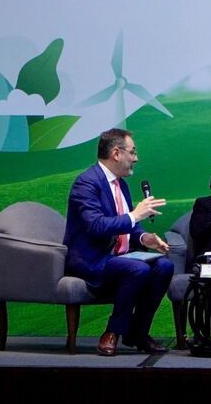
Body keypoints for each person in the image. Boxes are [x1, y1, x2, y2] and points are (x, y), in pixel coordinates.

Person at [63, 128, 173, 356]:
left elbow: (128, 225)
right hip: (92, 260)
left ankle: (138, 333)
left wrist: (143, 238)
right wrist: (136, 215)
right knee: (138, 269)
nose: (136, 158)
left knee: (164, 266)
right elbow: (96, 226)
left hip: (119, 259)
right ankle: (112, 332)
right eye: (132, 152)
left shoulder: (121, 184)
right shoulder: (86, 183)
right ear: (116, 153)